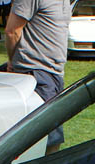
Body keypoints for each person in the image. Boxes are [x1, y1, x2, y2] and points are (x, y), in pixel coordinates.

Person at [4, 0, 70, 152]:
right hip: (36, 73)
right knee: (47, 140)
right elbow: (12, 31)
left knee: (52, 139)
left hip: (54, 74)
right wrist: (12, 60)